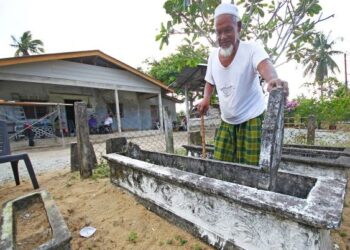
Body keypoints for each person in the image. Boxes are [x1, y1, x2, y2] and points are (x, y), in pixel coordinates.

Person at [196, 3, 288, 166]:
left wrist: (272, 80)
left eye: (228, 30)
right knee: (220, 168)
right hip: (227, 122)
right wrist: (206, 99)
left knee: (251, 170)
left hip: (251, 119)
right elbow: (210, 81)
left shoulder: (252, 49)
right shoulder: (212, 56)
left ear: (238, 27)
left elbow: (265, 65)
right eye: (218, 32)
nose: (222, 37)